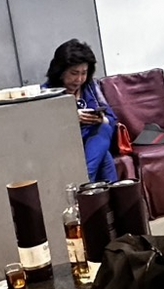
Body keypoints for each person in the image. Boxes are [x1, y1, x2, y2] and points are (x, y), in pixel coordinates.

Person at [45, 39, 119, 183]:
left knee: (104, 128)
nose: (79, 79)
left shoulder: (90, 87)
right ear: (60, 71)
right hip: (68, 145)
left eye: (84, 73)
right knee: (105, 157)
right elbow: (44, 129)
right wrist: (70, 118)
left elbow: (112, 120)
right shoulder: (47, 92)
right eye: (74, 73)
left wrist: (100, 118)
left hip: (96, 140)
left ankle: (85, 182)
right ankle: (89, 183)